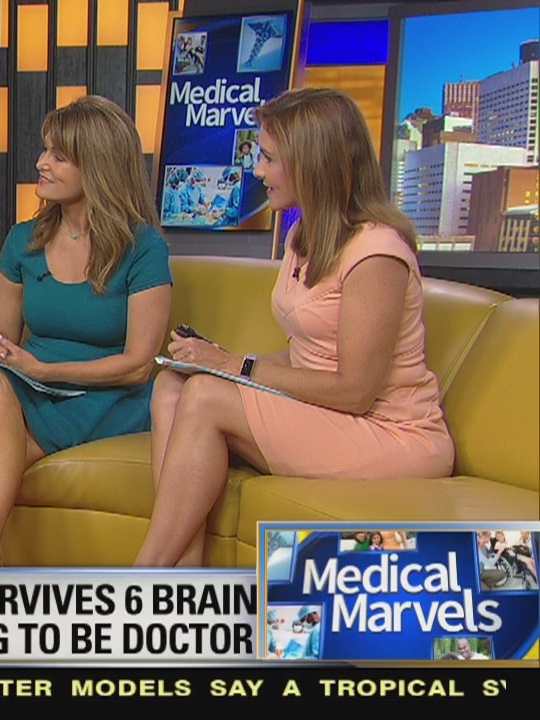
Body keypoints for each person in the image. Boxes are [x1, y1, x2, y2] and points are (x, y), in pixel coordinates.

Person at [133, 87, 455, 568]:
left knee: (204, 397)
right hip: (327, 412)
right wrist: (219, 363)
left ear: (313, 164)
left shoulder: (377, 254)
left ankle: (143, 577)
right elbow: (310, 355)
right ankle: (185, 576)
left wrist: (236, 366)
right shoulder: (303, 235)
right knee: (172, 386)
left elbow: (355, 391)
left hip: (392, 432)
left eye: (268, 158)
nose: (257, 171)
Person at [0, 95, 173, 567]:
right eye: (45, 151)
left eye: (59, 156)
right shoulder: (23, 240)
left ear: (97, 167)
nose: (41, 163)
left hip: (108, 400)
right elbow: (2, 333)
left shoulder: (143, 248)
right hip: (32, 392)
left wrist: (44, 369)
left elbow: (139, 366)